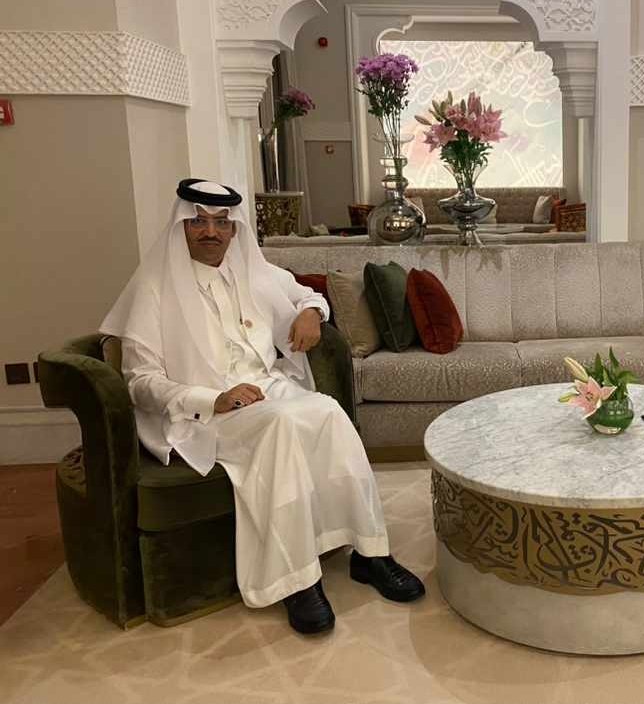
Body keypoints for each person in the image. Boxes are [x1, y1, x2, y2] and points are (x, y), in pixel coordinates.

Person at [101, 179, 424, 635]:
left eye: (221, 223)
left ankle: (371, 554)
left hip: (269, 389)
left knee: (329, 413)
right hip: (205, 411)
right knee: (281, 426)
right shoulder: (154, 288)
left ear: (234, 229)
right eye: (198, 222)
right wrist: (210, 399)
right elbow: (139, 382)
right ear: (181, 226)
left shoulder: (253, 269)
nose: (210, 232)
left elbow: (308, 295)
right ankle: (296, 581)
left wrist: (312, 313)